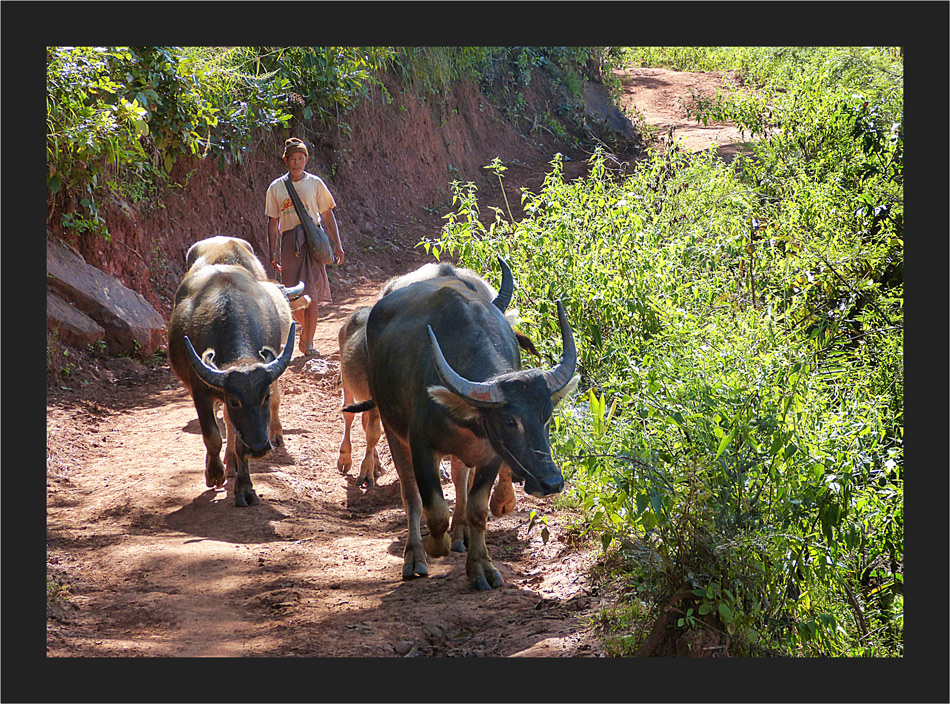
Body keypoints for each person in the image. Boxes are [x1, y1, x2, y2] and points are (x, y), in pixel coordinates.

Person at [265, 137, 344, 356]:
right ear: (286, 161)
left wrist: (337, 245)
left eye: (300, 158)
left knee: (312, 295)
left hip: (312, 243)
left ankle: (308, 343)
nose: (296, 163)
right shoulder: (276, 188)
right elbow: (272, 222)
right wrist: (273, 252)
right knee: (293, 297)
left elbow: (327, 215)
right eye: (292, 159)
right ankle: (304, 332)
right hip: (289, 244)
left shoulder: (315, 183)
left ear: (306, 160)